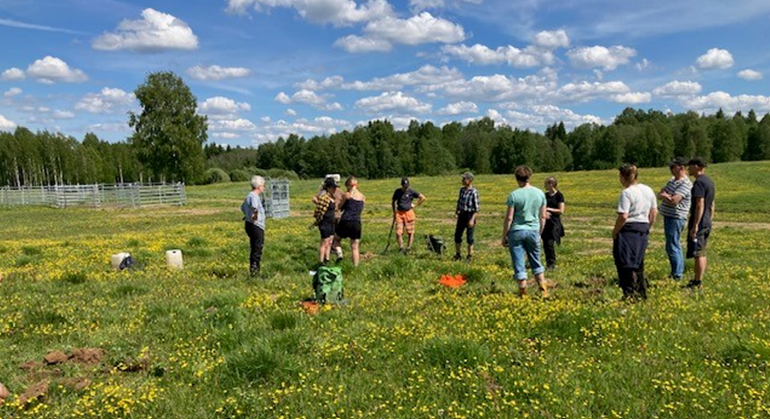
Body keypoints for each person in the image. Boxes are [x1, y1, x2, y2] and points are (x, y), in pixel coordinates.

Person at [612, 163, 657, 300]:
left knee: (625, 262)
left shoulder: (626, 193)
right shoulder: (648, 190)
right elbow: (654, 212)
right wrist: (648, 226)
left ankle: (629, 293)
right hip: (643, 227)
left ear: (623, 177)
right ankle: (641, 291)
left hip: (628, 229)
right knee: (638, 262)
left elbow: (623, 216)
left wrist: (615, 231)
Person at [502, 166, 549, 297]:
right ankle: (543, 290)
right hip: (533, 230)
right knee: (535, 260)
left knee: (518, 261)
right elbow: (543, 216)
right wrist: (539, 232)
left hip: (516, 231)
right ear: (529, 176)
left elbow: (509, 218)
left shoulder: (514, 195)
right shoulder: (540, 194)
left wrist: (504, 235)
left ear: (517, 178)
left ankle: (523, 292)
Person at [657, 157, 692, 281]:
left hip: (676, 218)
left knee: (673, 245)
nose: (670, 169)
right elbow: (660, 194)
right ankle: (676, 272)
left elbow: (674, 201)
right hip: (669, 217)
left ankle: (677, 274)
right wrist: (665, 195)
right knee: (671, 245)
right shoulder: (672, 181)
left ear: (681, 168)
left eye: (673, 167)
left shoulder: (685, 183)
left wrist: (666, 196)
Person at [685, 157, 715, 290]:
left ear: (697, 166)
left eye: (690, 166)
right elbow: (712, 203)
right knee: (702, 250)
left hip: (700, 222)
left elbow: (699, 203)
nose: (688, 169)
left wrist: (695, 224)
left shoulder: (699, 183)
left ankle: (697, 282)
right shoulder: (709, 181)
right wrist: (710, 218)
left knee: (698, 253)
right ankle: (698, 279)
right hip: (707, 220)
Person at [335, 176, 366, 266]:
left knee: (336, 239)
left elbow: (339, 207)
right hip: (356, 222)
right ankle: (355, 266)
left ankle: (339, 254)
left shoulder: (347, 195)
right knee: (355, 247)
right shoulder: (363, 197)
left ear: (348, 185)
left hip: (346, 220)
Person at [314, 175, 345, 261]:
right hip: (325, 223)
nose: (335, 189)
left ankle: (327, 259)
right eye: (333, 187)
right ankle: (321, 262)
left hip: (331, 223)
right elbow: (318, 211)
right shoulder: (324, 197)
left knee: (330, 241)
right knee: (324, 242)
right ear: (328, 187)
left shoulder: (331, 196)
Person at [392, 177, 426, 254]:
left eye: (406, 185)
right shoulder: (397, 192)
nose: (405, 187)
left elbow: (422, 197)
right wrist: (394, 212)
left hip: (409, 213)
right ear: (402, 185)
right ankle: (401, 247)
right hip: (399, 213)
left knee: (410, 232)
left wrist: (415, 205)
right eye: (404, 185)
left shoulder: (411, 191)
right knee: (398, 232)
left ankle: (408, 248)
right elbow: (393, 201)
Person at [241, 175, 266, 277]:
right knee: (257, 248)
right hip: (256, 225)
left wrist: (247, 215)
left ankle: (254, 270)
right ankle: (255, 272)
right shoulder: (253, 196)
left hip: (250, 224)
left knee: (255, 247)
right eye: (263, 185)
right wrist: (254, 216)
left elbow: (243, 208)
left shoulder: (249, 196)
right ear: (259, 186)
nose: (264, 188)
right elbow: (254, 208)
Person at [453, 172, 479, 262]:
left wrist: (472, 220)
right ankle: (458, 254)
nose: (462, 180)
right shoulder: (462, 190)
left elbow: (476, 209)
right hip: (462, 215)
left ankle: (469, 256)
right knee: (457, 235)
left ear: (469, 180)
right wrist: (457, 211)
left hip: (470, 215)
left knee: (469, 237)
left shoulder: (474, 192)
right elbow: (459, 201)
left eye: (464, 179)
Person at [541, 176, 565, 270]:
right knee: (546, 243)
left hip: (554, 223)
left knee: (550, 243)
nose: (544, 185)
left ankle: (551, 263)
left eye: (546, 183)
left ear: (551, 184)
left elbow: (561, 210)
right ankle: (548, 263)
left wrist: (549, 209)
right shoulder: (545, 195)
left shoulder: (559, 195)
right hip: (545, 222)